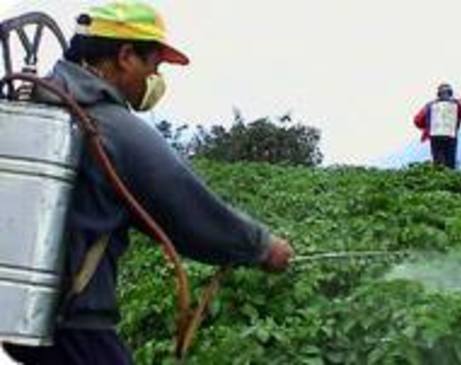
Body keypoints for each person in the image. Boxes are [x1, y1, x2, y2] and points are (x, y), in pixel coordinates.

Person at [3, 2, 294, 364]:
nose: (155, 80)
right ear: (125, 56)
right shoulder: (112, 126)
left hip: (28, 320)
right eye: (153, 66)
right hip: (73, 326)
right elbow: (187, 207)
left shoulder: (44, 103)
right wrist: (262, 247)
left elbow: (147, 212)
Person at [413, 83, 461, 169]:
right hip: (451, 136)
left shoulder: (430, 105)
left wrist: (428, 127)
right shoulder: (457, 104)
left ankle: (438, 179)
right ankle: (450, 179)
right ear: (451, 93)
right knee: (450, 163)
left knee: (438, 162)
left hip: (435, 136)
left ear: (438, 94)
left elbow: (417, 121)